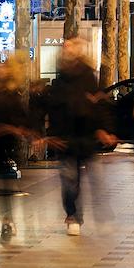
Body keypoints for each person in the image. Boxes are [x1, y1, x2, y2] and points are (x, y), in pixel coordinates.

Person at [46, 36, 115, 234]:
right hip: (66, 138)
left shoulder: (88, 76)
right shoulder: (59, 80)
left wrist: (104, 129)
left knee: (96, 179)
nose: (67, 50)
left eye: (71, 47)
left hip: (86, 136)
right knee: (70, 181)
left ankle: (101, 215)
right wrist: (52, 134)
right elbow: (53, 109)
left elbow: (99, 104)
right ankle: (73, 215)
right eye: (65, 48)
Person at [0, 54, 34, 238]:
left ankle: (9, 220)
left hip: (12, 144)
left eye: (5, 67)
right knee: (1, 186)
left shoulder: (15, 94)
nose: (1, 70)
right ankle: (6, 221)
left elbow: (23, 119)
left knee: (8, 186)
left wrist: (17, 129)